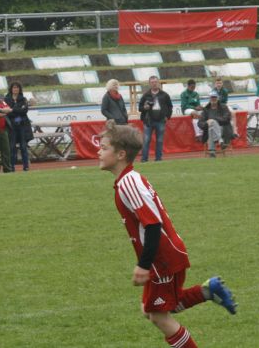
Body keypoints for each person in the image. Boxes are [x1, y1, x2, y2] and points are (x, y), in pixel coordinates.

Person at [98, 120, 237, 347]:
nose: (99, 152)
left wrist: (144, 265)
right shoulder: (127, 180)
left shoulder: (128, 183)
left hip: (163, 259)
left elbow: (153, 225)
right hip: (164, 257)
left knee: (159, 316)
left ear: (121, 154)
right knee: (150, 309)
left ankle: (207, 292)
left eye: (104, 148)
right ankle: (207, 291)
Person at [138, 76, 173, 162]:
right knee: (146, 140)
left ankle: (158, 158)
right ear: (149, 84)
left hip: (161, 121)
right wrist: (145, 107)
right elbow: (140, 108)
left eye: (155, 82)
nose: (154, 84)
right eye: (152, 82)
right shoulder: (145, 95)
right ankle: (144, 159)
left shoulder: (164, 95)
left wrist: (167, 116)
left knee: (160, 140)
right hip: (148, 121)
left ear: (158, 83)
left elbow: (170, 107)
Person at [5, 81, 32, 172]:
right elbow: (7, 112)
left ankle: (26, 166)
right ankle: (12, 167)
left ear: (19, 89)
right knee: (12, 147)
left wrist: (12, 110)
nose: (15, 89)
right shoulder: (6, 99)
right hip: (11, 127)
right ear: (11, 89)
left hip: (22, 126)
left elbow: (24, 111)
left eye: (17, 87)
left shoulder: (23, 99)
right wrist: (17, 110)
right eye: (14, 87)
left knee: (23, 147)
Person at [198, 91, 233, 158]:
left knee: (212, 125)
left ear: (218, 98)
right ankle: (220, 141)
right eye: (212, 97)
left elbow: (227, 119)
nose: (213, 99)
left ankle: (212, 151)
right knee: (211, 127)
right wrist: (207, 123)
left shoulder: (224, 107)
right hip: (210, 131)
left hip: (223, 129)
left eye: (215, 97)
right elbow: (200, 123)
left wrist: (213, 120)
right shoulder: (206, 109)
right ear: (209, 98)